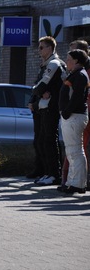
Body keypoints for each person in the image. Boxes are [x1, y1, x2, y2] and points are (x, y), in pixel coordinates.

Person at [30, 36, 66, 186]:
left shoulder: (54, 63)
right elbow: (39, 87)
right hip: (44, 107)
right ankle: (47, 172)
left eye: (41, 47)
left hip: (51, 107)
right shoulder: (46, 64)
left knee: (49, 140)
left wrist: (37, 90)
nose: (39, 50)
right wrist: (38, 93)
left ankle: (54, 174)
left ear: (50, 48)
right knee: (43, 140)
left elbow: (41, 85)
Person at [57, 49, 90, 194]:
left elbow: (77, 96)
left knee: (75, 150)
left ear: (77, 60)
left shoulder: (80, 75)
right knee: (71, 151)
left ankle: (79, 184)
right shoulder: (76, 74)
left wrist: (66, 111)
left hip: (75, 116)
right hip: (72, 116)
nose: (67, 61)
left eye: (69, 58)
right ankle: (72, 182)